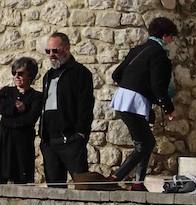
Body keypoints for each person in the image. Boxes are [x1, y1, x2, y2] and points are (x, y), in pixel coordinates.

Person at [109, 17, 177, 188]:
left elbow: (116, 74)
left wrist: (133, 86)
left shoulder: (138, 49)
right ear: (166, 36)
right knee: (145, 143)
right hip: (134, 102)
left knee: (145, 142)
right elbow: (157, 85)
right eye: (171, 37)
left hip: (123, 99)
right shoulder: (160, 54)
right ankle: (116, 177)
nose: (171, 41)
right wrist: (168, 107)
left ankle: (138, 182)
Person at [38, 32, 94, 187]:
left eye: (55, 50)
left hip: (71, 140)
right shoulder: (48, 76)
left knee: (82, 185)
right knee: (54, 188)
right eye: (48, 51)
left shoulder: (80, 73)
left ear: (67, 48)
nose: (51, 55)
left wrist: (82, 133)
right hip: (50, 141)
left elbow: (86, 104)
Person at [0, 57, 43, 184]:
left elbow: (29, 120)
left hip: (22, 147)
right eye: (14, 73)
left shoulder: (36, 97)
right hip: (4, 145)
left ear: (30, 75)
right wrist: (14, 107)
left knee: (22, 185)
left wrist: (7, 119)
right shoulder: (7, 91)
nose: (16, 76)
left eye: (21, 73)